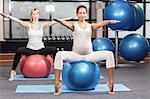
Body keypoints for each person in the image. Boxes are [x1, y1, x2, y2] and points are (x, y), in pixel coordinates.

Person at [53, 5, 120, 96]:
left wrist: (109, 21)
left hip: (89, 56)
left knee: (109, 54)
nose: (82, 15)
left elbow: (100, 24)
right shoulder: (74, 26)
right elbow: (65, 24)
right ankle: (57, 83)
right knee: (59, 55)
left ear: (86, 14)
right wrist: (60, 20)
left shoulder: (90, 26)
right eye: (80, 13)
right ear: (77, 14)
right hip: (76, 56)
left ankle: (111, 82)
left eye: (84, 13)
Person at [0, 8, 72, 81]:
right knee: (19, 50)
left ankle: (58, 72)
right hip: (30, 50)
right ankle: (13, 71)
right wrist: (7, 16)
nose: (35, 15)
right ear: (31, 15)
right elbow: (17, 20)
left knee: (54, 49)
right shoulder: (28, 25)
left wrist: (67, 19)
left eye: (37, 13)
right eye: (33, 14)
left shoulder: (42, 25)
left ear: (39, 15)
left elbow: (56, 21)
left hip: (41, 49)